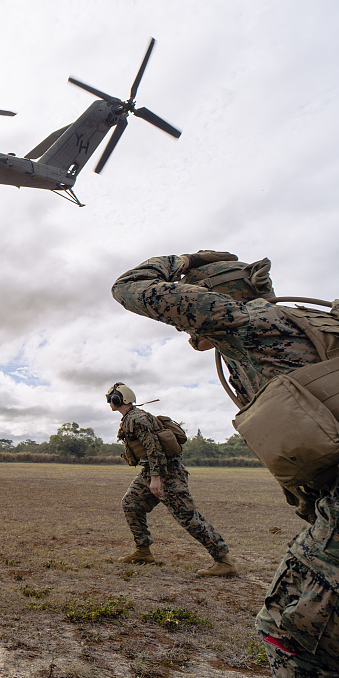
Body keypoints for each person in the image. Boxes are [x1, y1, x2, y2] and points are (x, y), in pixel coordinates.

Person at [112, 251, 339, 678]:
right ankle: (149, 550)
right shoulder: (313, 324)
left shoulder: (247, 322)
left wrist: (180, 260)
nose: (188, 328)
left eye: (195, 304)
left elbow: (128, 287)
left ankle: (220, 557)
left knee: (292, 637)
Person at [107, 382, 235, 576]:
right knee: (131, 504)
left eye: (110, 398)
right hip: (151, 471)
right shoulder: (130, 418)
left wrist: (156, 478)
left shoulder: (137, 418)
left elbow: (154, 448)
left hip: (167, 473)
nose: (109, 402)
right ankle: (143, 552)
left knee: (188, 517)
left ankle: (223, 561)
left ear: (119, 399)